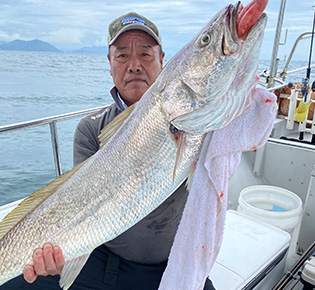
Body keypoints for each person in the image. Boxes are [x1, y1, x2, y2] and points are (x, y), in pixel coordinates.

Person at [1, 12, 216, 290]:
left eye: (146, 54)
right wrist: (60, 255)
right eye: (123, 55)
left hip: (173, 264)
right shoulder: (91, 130)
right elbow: (81, 206)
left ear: (163, 60)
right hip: (103, 260)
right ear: (110, 64)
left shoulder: (199, 120)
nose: (135, 65)